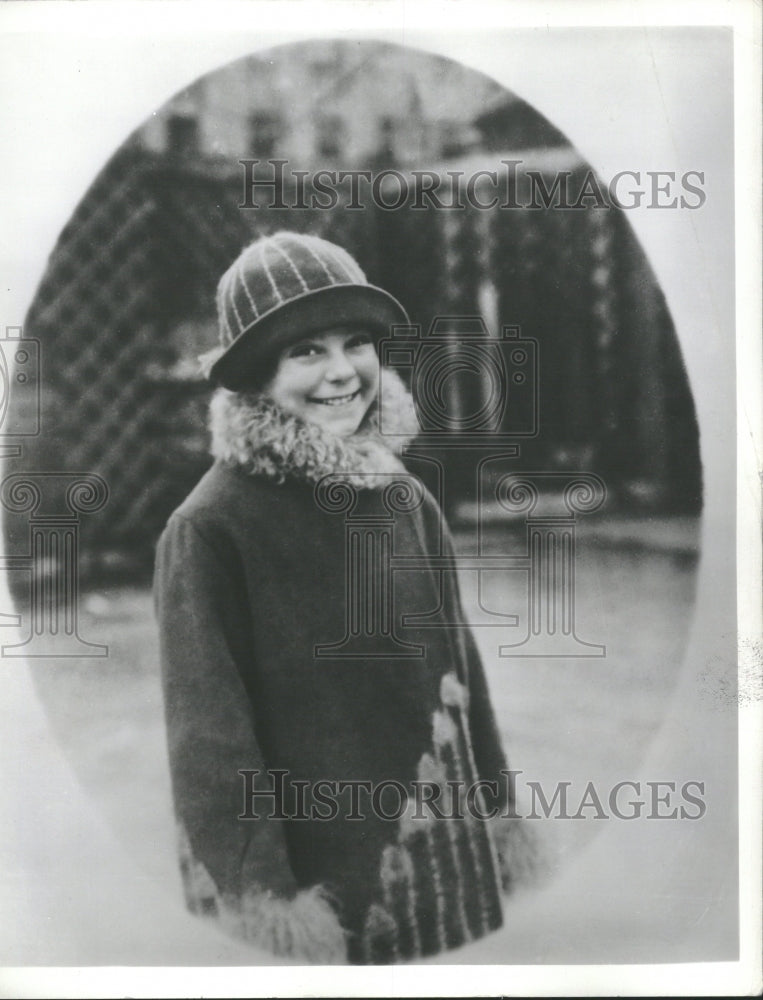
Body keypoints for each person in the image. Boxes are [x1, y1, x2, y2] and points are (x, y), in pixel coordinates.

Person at [154, 231, 543, 965]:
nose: (341, 373)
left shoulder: (404, 497)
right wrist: (269, 913)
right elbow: (211, 751)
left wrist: (494, 817)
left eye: (355, 342)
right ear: (255, 378)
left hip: (444, 865)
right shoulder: (210, 528)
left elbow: (464, 683)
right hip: (326, 892)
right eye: (306, 351)